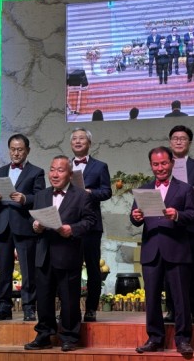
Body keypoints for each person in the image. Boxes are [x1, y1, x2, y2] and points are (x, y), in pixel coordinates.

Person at [24, 155, 96, 352]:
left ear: (70, 174)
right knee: (43, 298)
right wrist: (35, 225)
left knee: (69, 298)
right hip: (44, 253)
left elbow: (90, 222)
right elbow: (32, 219)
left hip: (67, 253)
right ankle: (44, 335)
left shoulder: (82, 195)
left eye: (60, 170)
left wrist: (72, 229)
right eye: (52, 169)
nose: (54, 174)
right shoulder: (41, 195)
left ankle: (70, 337)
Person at [130, 147, 194, 356]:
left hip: (176, 249)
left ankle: (183, 340)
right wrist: (135, 217)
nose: (160, 168)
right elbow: (134, 218)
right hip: (151, 249)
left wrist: (177, 215)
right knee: (151, 297)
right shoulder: (144, 189)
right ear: (151, 165)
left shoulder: (185, 189)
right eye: (155, 164)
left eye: (163, 163)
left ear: (171, 163)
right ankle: (154, 338)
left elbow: (193, 215)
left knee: (180, 298)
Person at [0, 134, 46, 322]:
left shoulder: (36, 172)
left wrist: (25, 198)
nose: (16, 153)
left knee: (27, 270)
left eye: (20, 149)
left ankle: (29, 307)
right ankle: (4, 307)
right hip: (3, 226)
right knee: (3, 270)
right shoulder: (0, 170)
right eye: (13, 149)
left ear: (27, 151)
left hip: (24, 225)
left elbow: (41, 197)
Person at [164, 126, 194, 325]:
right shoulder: (164, 165)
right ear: (170, 142)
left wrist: (192, 191)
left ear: (189, 143)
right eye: (175, 138)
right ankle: (171, 310)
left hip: (192, 225)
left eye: (183, 138)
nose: (178, 141)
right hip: (169, 225)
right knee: (170, 269)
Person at [70, 128, 112, 322]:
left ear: (89, 143)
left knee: (93, 268)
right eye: (74, 139)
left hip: (91, 225)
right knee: (70, 267)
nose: (78, 141)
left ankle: (91, 308)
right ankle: (70, 308)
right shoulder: (65, 165)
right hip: (69, 224)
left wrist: (90, 193)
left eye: (82, 138)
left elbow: (107, 191)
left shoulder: (100, 166)